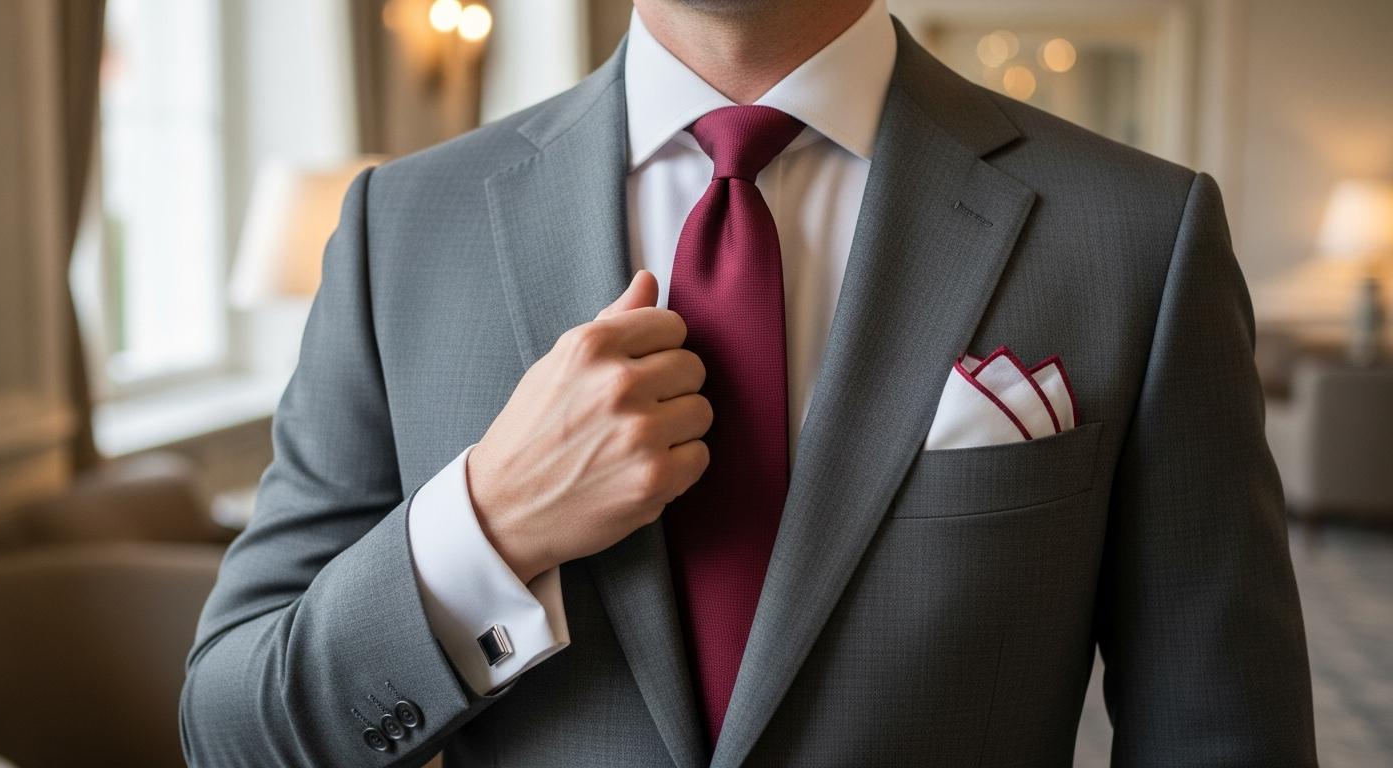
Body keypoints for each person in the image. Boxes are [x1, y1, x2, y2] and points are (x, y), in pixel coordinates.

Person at [181, 0, 1317, 765]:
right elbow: (230, 726)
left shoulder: (1135, 232)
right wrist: (487, 524)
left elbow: (1227, 734)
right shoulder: (402, 228)